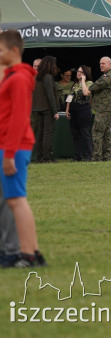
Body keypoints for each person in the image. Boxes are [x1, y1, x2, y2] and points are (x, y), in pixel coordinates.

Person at [0, 30, 46, 268]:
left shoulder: (18, 79)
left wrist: (8, 154)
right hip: (11, 145)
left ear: (14, 51)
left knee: (17, 201)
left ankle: (28, 254)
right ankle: (32, 252)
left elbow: (18, 118)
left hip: (14, 146)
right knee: (15, 200)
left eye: (1, 50)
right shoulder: (14, 76)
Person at [80, 56, 111, 162]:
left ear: (109, 64)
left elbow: (86, 92)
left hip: (103, 109)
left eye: (103, 63)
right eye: (100, 63)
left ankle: (97, 157)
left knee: (97, 132)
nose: (101, 65)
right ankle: (107, 156)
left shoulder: (107, 77)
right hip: (106, 108)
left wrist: (83, 80)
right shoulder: (109, 75)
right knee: (106, 133)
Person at [30, 56, 59, 163]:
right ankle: (46, 157)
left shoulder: (36, 77)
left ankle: (41, 156)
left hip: (38, 109)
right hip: (47, 109)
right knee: (47, 134)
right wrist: (55, 111)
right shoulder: (47, 76)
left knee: (40, 134)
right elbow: (50, 95)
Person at [66, 66, 94, 161]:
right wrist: (67, 109)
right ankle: (77, 156)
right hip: (74, 110)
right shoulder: (74, 84)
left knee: (85, 133)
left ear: (85, 74)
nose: (79, 73)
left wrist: (83, 80)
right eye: (78, 71)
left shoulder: (89, 83)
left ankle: (88, 155)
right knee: (75, 134)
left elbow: (86, 93)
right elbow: (69, 97)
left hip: (84, 110)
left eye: (81, 72)